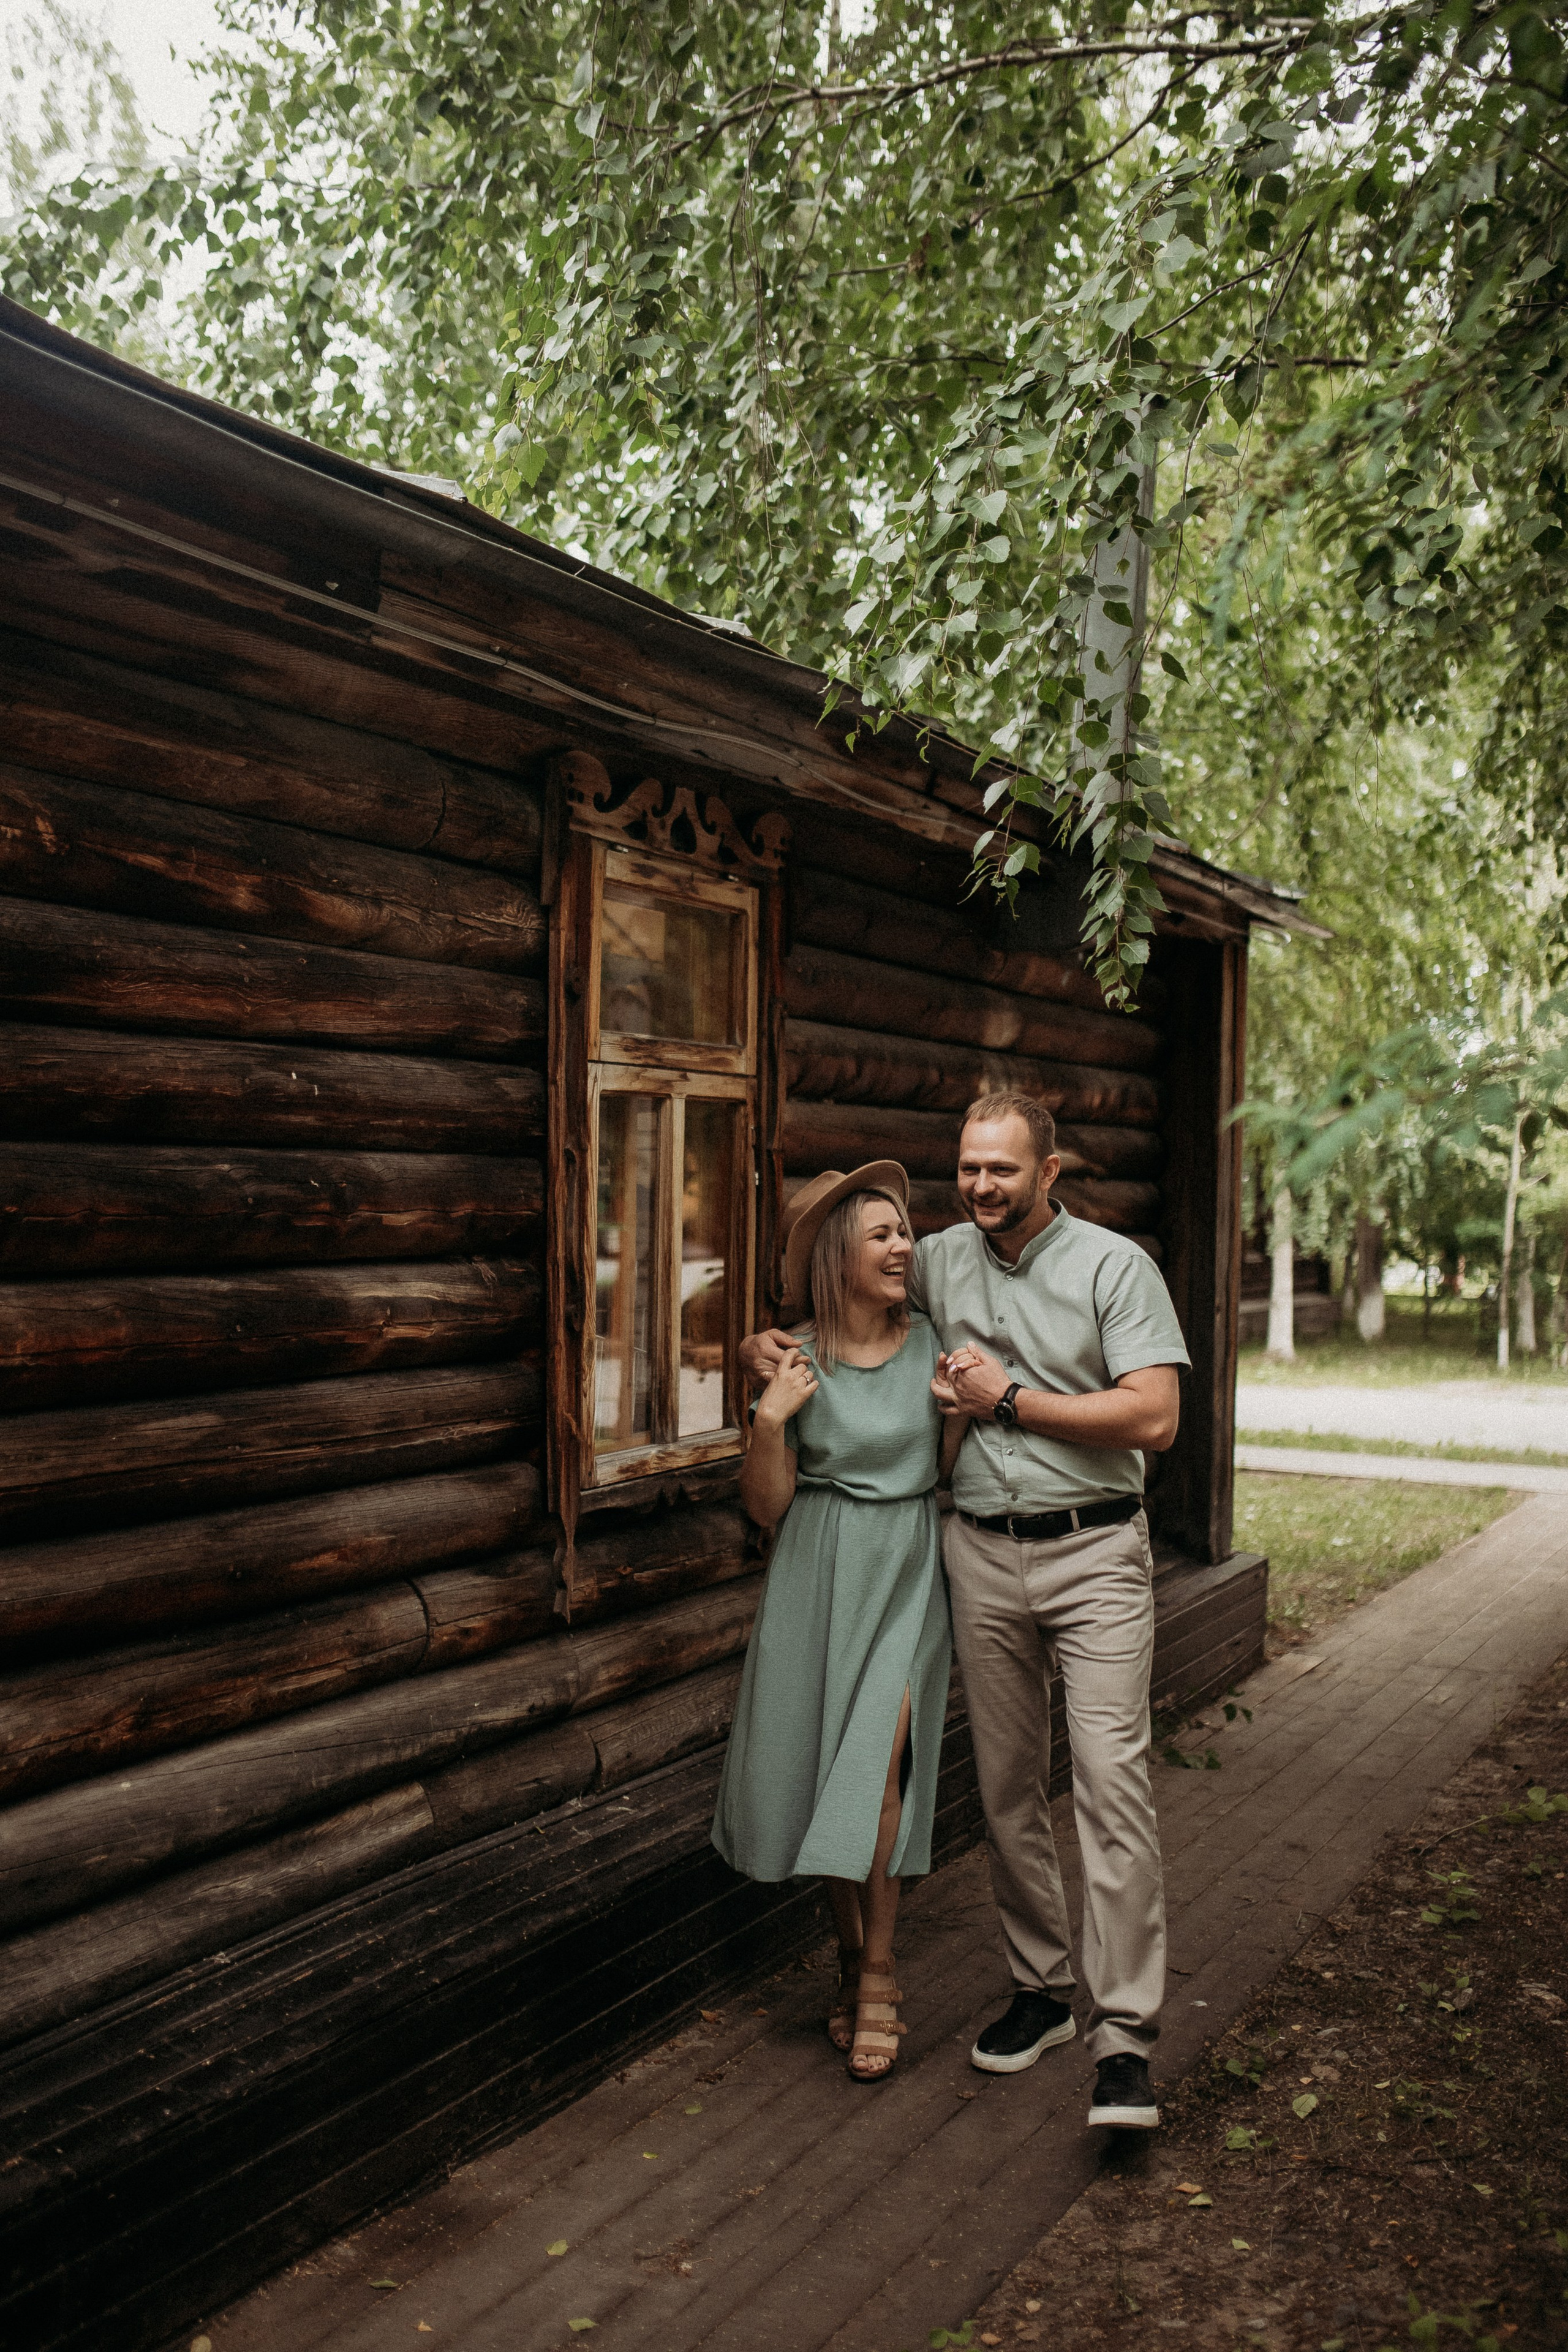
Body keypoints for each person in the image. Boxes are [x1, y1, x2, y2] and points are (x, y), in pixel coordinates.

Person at [741, 1091, 1189, 2130]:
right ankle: (1041, 1991)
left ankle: (1122, 2043)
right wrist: (767, 1350)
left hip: (1094, 1550)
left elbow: (1156, 1415)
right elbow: (842, 1290)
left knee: (1112, 1786)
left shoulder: (1116, 1268)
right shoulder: (939, 1259)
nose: (982, 1187)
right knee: (1005, 1790)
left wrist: (1009, 1402)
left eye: (1003, 1169)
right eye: (969, 1169)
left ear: (1050, 1172)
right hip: (980, 1555)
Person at [712, 1161, 963, 2082]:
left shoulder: (933, 1342)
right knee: (829, 1766)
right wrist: (770, 1424)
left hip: (902, 1569)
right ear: (836, 1257)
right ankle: (851, 1961)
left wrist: (962, 1419)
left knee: (880, 1769)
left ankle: (882, 1974)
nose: (905, 1247)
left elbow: (942, 1467)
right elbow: (768, 1510)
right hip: (815, 1568)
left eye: (905, 1232)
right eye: (883, 1235)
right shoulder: (793, 1361)